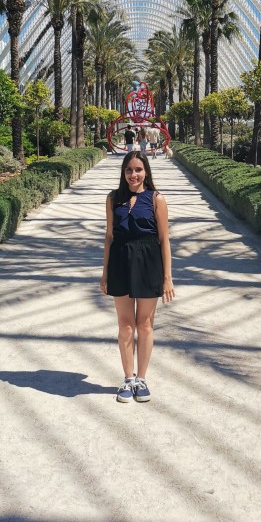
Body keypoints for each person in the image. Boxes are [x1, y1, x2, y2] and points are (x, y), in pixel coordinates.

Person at [100, 151, 175, 403]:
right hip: (120, 263)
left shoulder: (156, 199)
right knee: (125, 325)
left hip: (148, 264)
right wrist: (105, 273)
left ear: (146, 172)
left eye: (138, 170)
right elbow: (109, 237)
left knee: (144, 324)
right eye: (129, 170)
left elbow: (164, 240)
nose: (134, 175)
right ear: (123, 172)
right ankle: (128, 378)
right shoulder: (113, 199)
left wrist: (167, 277)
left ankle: (141, 379)